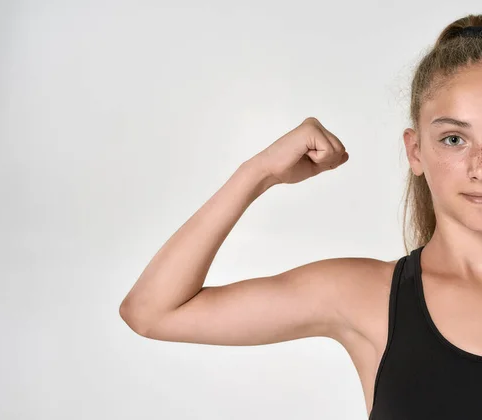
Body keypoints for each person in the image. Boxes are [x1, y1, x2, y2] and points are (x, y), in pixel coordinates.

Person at [119, 14, 482, 419]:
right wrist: (258, 173)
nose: (478, 167)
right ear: (415, 151)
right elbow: (151, 312)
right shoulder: (367, 297)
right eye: (454, 139)